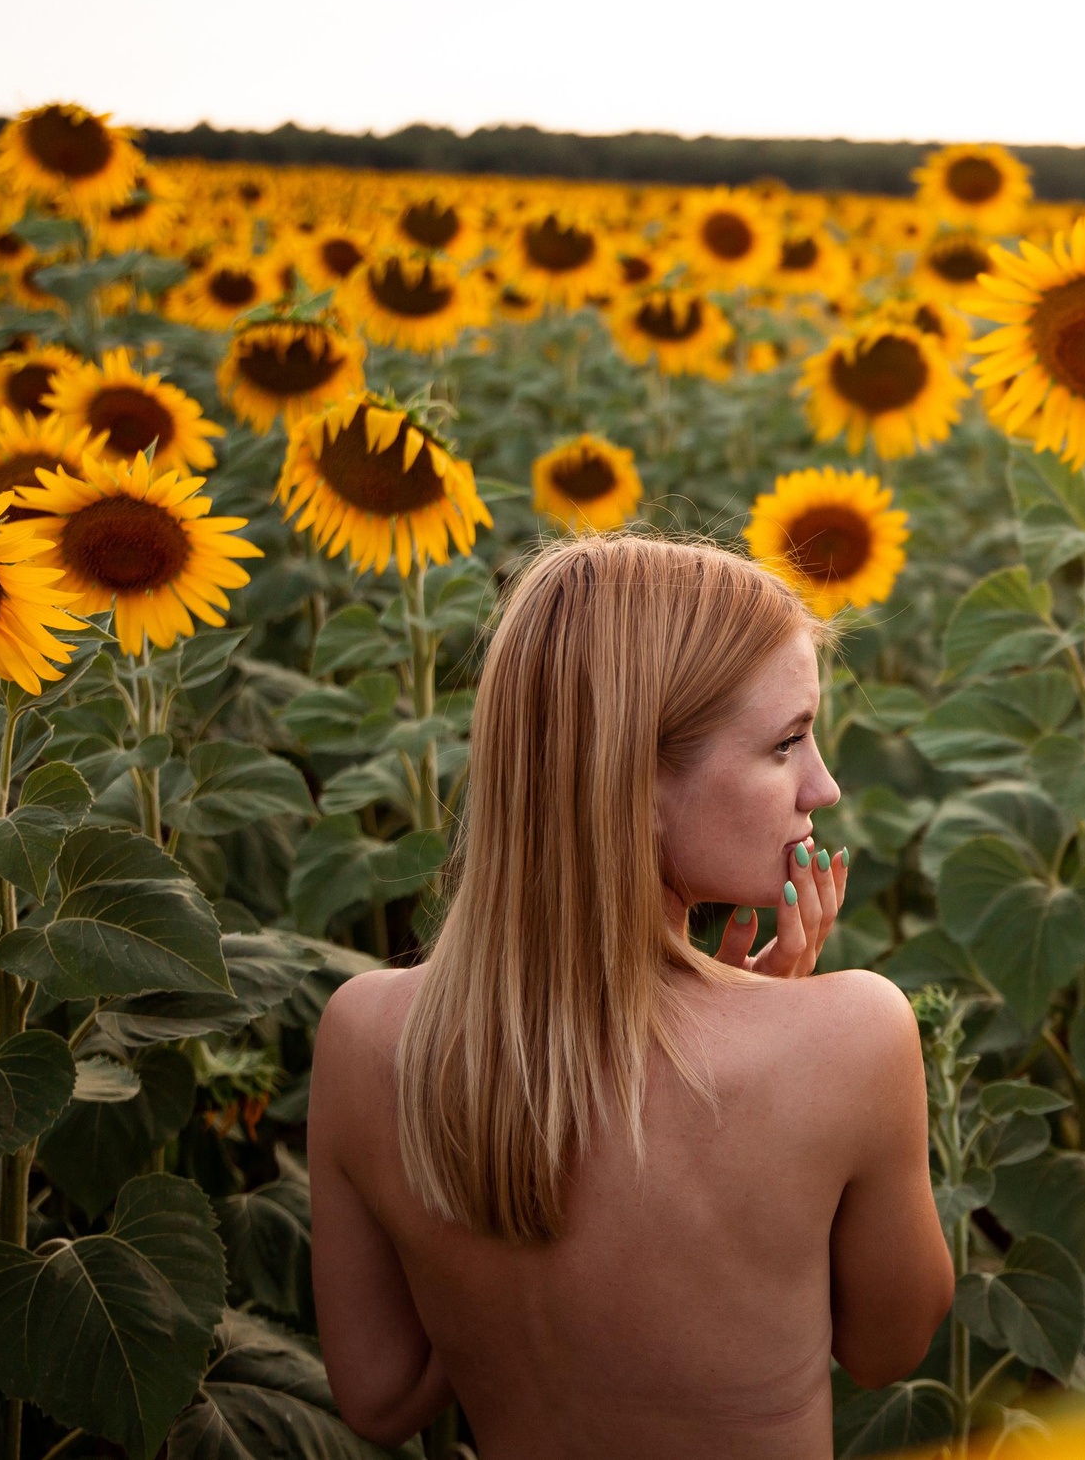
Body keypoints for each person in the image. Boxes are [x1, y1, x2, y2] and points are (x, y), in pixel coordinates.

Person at [310, 534, 953, 1458]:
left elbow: (378, 1396)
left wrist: (486, 1252)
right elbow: (891, 1347)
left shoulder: (366, 1038)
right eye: (786, 741)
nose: (825, 784)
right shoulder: (852, 1038)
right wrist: (790, 1032)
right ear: (636, 780)